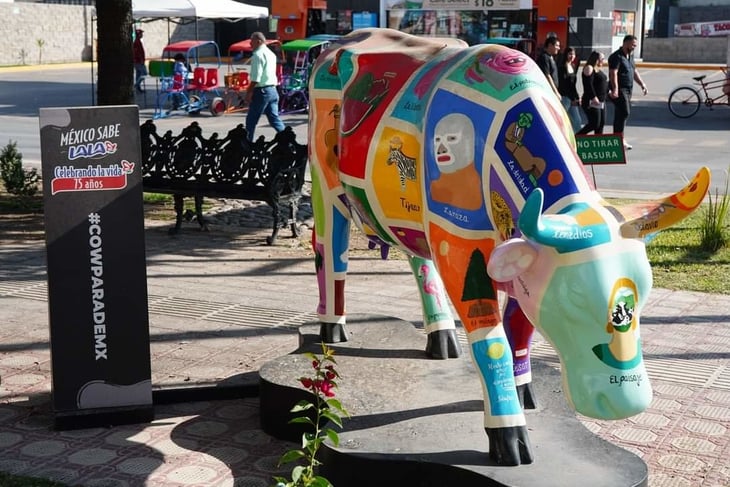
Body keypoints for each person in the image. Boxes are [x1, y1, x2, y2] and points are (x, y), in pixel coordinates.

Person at [608, 34, 648, 150]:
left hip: (628, 89)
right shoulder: (616, 56)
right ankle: (620, 139)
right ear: (626, 43)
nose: (634, 47)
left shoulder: (630, 57)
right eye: (633, 44)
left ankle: (617, 139)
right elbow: (613, 73)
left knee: (620, 114)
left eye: (635, 45)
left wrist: (642, 84)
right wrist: (615, 89)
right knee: (625, 112)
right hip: (620, 89)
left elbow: (634, 72)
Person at [245, 32, 286, 141]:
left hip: (261, 91)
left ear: (258, 41)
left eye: (252, 41)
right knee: (274, 119)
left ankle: (247, 145)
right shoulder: (270, 54)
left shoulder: (257, 55)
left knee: (251, 120)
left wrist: (248, 92)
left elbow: (256, 78)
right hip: (272, 90)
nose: (250, 43)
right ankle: (288, 139)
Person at [577, 51, 609, 135]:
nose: (603, 61)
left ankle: (597, 145)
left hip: (601, 101)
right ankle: (578, 137)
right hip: (592, 101)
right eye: (602, 59)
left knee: (601, 123)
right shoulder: (589, 68)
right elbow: (588, 85)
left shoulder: (598, 69)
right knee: (594, 123)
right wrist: (593, 97)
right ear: (596, 59)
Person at [557, 46, 583, 132]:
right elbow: (563, 85)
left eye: (573, 54)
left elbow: (573, 85)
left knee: (577, 121)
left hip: (572, 98)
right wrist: (571, 98)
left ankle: (577, 141)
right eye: (570, 54)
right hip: (565, 98)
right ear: (566, 55)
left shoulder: (573, 65)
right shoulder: (561, 67)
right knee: (561, 121)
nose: (572, 56)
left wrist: (576, 97)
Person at [133, 29, 146, 93]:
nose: (142, 35)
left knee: (138, 75)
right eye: (141, 34)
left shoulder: (138, 41)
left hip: (138, 61)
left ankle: (138, 88)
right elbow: (137, 53)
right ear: (139, 34)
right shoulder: (137, 42)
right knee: (144, 73)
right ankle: (136, 85)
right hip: (138, 61)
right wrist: (141, 60)